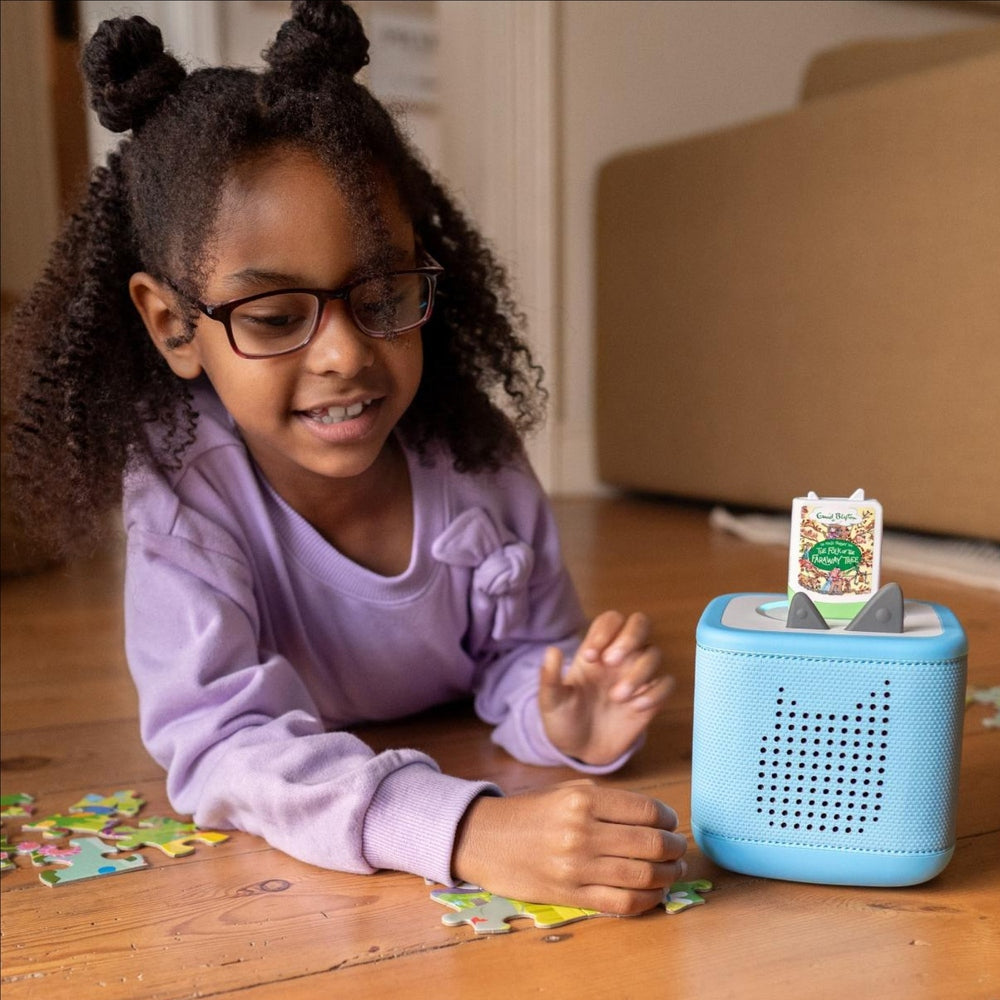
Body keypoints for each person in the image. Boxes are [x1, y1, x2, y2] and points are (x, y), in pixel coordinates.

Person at [5, 0, 685, 914]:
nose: (344, 354)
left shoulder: (474, 457)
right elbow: (220, 743)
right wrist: (465, 829)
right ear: (173, 326)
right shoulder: (183, 495)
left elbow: (528, 647)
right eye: (274, 316)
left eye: (384, 294)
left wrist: (560, 716)